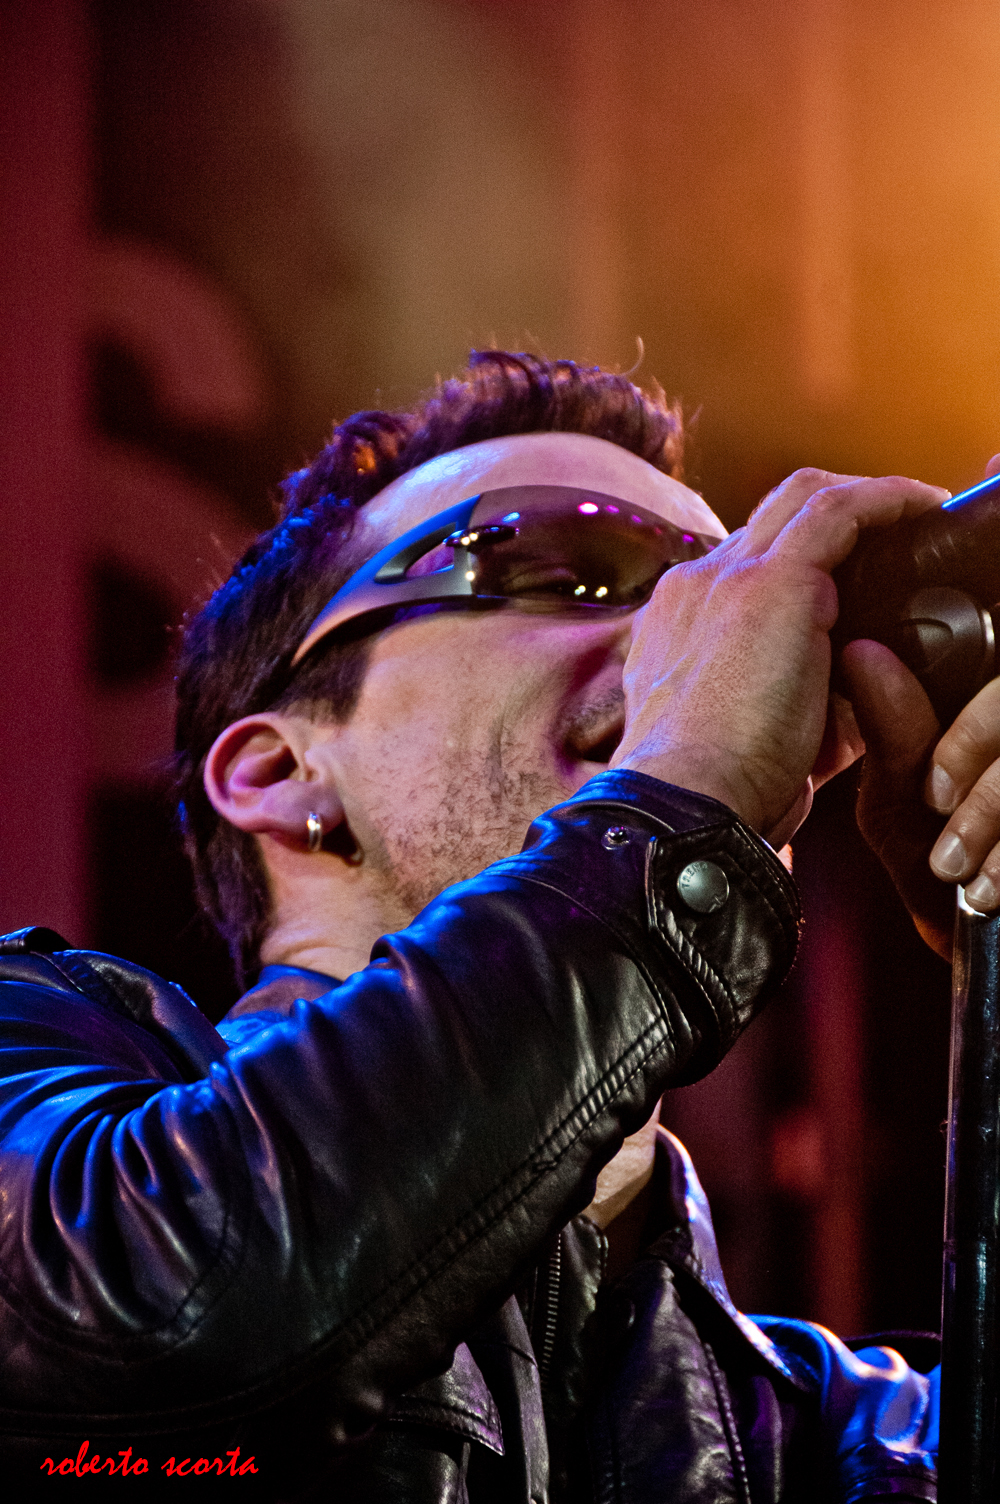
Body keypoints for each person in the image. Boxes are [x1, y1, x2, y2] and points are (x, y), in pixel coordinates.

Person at [1, 351, 995, 1499]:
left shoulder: (857, 1438)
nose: (687, 637)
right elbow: (161, 1331)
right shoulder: (42, 1069)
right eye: (561, 564)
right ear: (281, 769)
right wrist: (686, 780)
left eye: (711, 590)